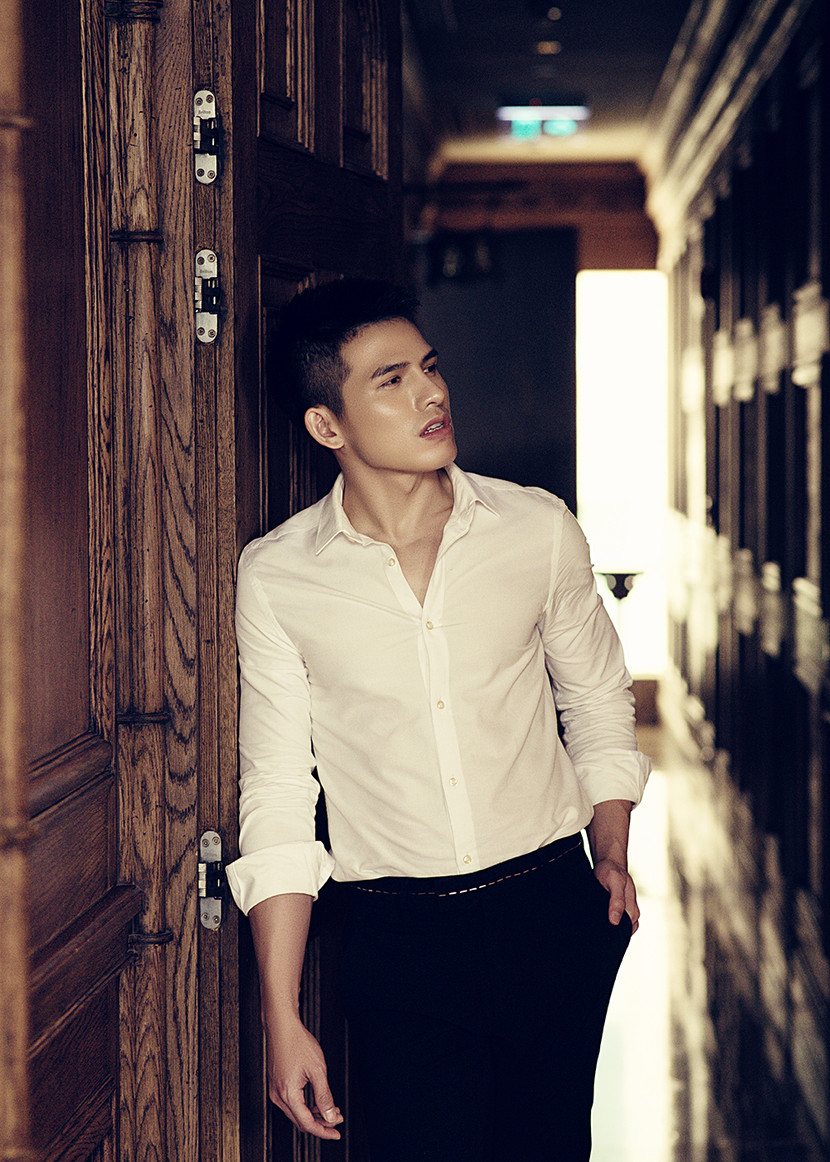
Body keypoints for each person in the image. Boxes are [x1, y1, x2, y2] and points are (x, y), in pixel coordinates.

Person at [225, 277, 650, 1162]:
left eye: (429, 367)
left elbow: (596, 697)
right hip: (397, 939)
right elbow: (277, 790)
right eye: (392, 380)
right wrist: (281, 1015)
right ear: (327, 425)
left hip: (549, 911)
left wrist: (610, 846)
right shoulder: (277, 576)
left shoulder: (537, 529)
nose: (431, 393)